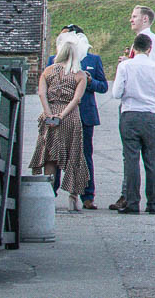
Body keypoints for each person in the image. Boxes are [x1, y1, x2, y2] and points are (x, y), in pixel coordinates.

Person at [110, 32, 155, 215]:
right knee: (152, 162)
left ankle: (132, 202)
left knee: (131, 160)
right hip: (150, 115)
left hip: (130, 114)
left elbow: (116, 93)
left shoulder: (125, 66)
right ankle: (153, 203)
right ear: (150, 49)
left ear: (134, 48)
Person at [29, 42, 91, 213]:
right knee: (74, 156)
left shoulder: (48, 71)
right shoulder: (80, 75)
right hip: (70, 117)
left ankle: (48, 196)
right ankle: (73, 197)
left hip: (49, 116)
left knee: (50, 156)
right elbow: (77, 99)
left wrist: (49, 114)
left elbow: (42, 93)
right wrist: (62, 116)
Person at [50, 25, 107, 210]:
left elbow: (103, 86)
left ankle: (87, 195)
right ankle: (50, 192)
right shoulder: (53, 60)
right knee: (56, 154)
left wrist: (90, 81)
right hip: (61, 113)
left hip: (84, 115)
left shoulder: (93, 59)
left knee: (85, 155)